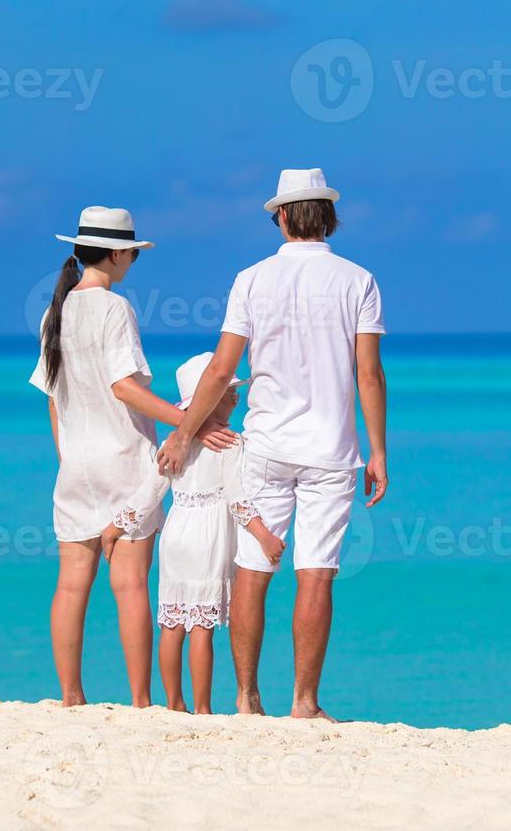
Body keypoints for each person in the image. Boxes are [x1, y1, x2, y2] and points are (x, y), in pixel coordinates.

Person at [157, 169, 388, 721]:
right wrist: (377, 451)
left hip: (265, 446)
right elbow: (369, 374)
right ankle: (304, 703)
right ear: (327, 216)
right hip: (331, 449)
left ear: (282, 216)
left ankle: (245, 698)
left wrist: (185, 432)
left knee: (252, 570)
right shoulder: (359, 280)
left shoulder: (252, 279)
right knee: (316, 572)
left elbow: (220, 368)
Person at [31, 206, 236, 708]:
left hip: (74, 464)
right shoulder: (114, 308)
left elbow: (54, 398)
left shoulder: (52, 312)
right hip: (122, 458)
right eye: (132, 254)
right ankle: (142, 702)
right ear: (119, 253)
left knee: (71, 587)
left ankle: (71, 697)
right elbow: (123, 387)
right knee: (129, 588)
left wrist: (66, 459)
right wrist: (190, 423)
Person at [153, 351, 285, 714]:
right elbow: (236, 498)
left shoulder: (173, 441)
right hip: (206, 540)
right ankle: (202, 708)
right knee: (201, 627)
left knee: (172, 621)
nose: (236, 396)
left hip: (176, 533)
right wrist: (264, 536)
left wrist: (119, 523)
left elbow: (151, 489)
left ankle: (173, 703)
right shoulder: (230, 442)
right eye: (227, 392)